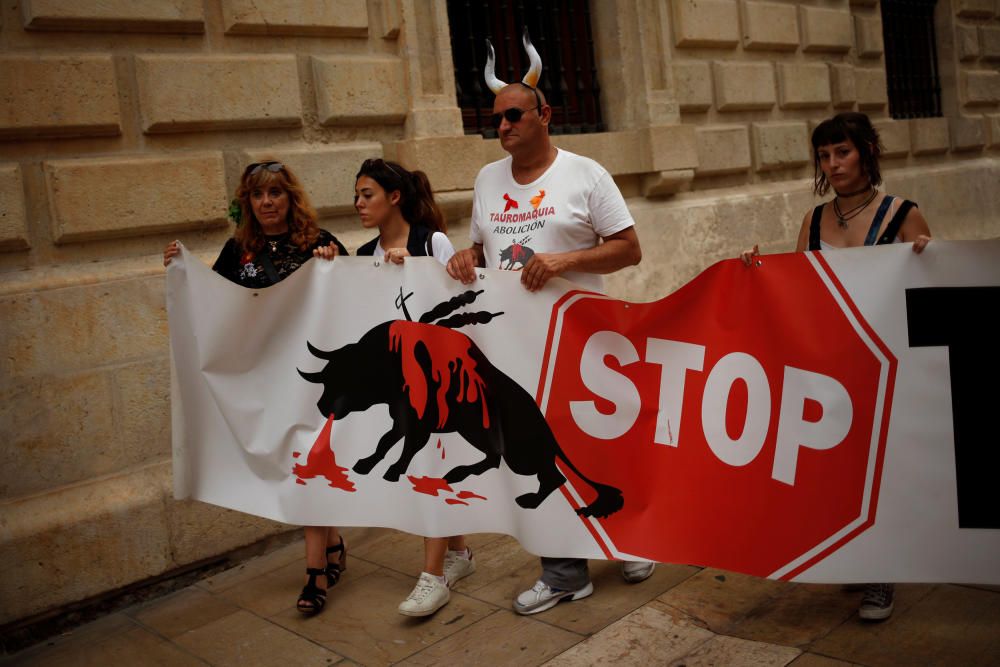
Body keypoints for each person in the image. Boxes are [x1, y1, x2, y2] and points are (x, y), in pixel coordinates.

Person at [445, 29, 653, 617]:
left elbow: (629, 248)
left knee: (598, 444)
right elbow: (480, 256)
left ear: (545, 115)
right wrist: (467, 260)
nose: (503, 127)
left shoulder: (586, 174)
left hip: (582, 342)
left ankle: (629, 541)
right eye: (497, 119)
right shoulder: (487, 180)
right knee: (536, 456)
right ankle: (564, 573)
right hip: (512, 349)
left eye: (514, 115)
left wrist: (566, 261)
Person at [741, 112, 930, 621]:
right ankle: (858, 556)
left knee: (883, 470)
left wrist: (929, 259)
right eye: (824, 155)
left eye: (841, 152)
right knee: (840, 468)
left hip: (886, 365)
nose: (833, 163)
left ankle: (883, 574)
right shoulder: (815, 220)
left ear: (866, 150)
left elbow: (931, 294)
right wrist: (759, 273)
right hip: (831, 368)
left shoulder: (903, 214)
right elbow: (800, 291)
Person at [164, 160, 348, 616]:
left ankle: (315, 574)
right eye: (257, 195)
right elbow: (216, 306)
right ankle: (335, 543)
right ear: (247, 203)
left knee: (308, 463)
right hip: (266, 378)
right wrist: (182, 271)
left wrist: (336, 267)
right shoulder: (237, 250)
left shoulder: (320, 243)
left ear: (290, 198)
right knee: (295, 463)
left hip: (311, 376)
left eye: (275, 194)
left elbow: (356, 297)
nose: (266, 203)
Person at [353, 157, 473, 617]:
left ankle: (434, 577)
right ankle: (459, 553)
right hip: (395, 384)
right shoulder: (364, 256)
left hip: (436, 381)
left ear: (394, 197)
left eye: (368, 195)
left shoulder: (430, 240)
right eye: (358, 195)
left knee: (429, 469)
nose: (359, 204)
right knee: (424, 467)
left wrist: (421, 267)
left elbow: (466, 287)